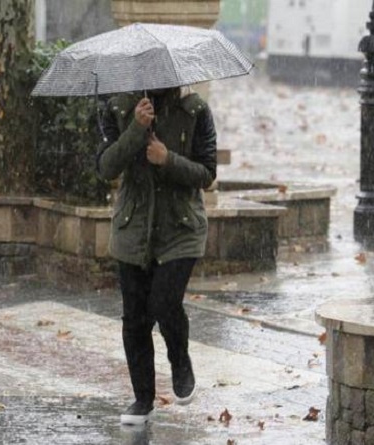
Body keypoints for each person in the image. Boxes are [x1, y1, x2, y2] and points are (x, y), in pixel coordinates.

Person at [96, 86, 217, 425]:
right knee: (135, 318)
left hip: (181, 229)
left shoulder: (195, 111)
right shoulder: (118, 108)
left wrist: (168, 160)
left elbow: (207, 174)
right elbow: (106, 167)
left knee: (164, 303)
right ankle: (142, 399)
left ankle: (180, 361)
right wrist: (135, 128)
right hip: (132, 229)